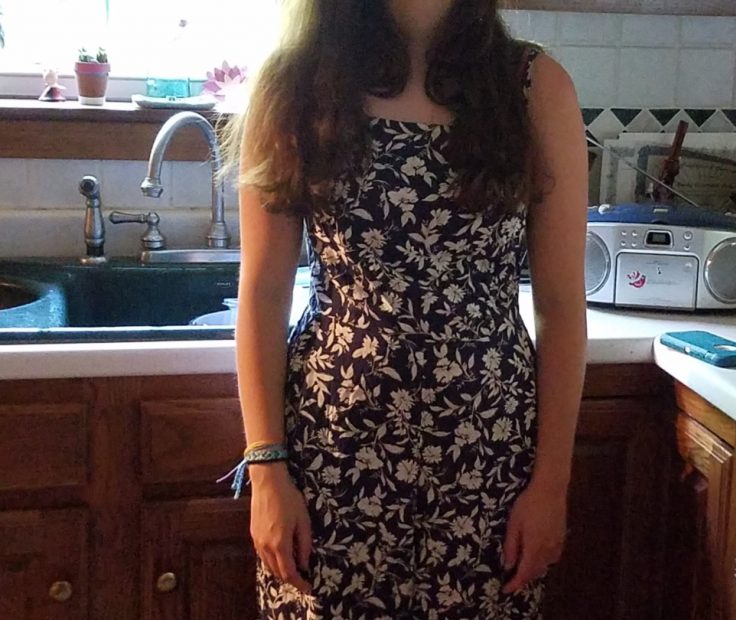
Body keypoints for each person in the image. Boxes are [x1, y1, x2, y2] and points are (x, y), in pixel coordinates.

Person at [224, 0, 588, 617]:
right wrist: (266, 471)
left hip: (488, 456)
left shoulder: (535, 87)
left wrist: (551, 484)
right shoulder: (296, 80)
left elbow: (560, 306)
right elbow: (262, 296)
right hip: (332, 455)